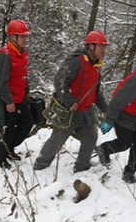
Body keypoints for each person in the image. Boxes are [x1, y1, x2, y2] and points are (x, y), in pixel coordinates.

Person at [34, 31, 109, 173]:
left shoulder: (97, 66)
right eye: (101, 46)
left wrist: (106, 108)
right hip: (70, 112)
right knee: (57, 140)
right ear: (91, 46)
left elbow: (96, 92)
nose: (103, 50)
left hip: (87, 112)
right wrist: (68, 101)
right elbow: (60, 80)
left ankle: (81, 166)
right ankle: (40, 165)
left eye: (104, 47)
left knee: (91, 138)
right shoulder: (76, 61)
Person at [0, 20, 34, 169]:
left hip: (20, 98)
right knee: (7, 130)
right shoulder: (5, 54)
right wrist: (8, 101)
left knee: (27, 123)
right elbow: (1, 81)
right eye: (22, 36)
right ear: (12, 37)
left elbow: (23, 75)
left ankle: (10, 149)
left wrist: (27, 91)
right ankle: (1, 158)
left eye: (25, 36)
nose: (25, 39)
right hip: (9, 100)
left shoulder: (22, 53)